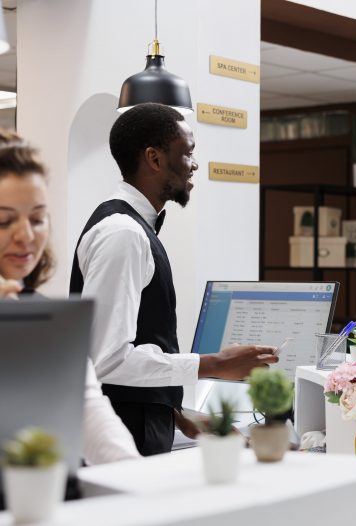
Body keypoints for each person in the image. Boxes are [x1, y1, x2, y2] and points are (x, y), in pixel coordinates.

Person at [70, 103, 278, 456]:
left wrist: (179, 416)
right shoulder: (124, 233)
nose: (194, 165)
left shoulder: (132, 228)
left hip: (143, 422)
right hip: (123, 438)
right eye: (188, 153)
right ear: (154, 158)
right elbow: (108, 360)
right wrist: (215, 364)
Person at [0, 129, 140, 465]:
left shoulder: (44, 317)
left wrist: (141, 487)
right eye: (5, 220)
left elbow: (93, 419)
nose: (26, 235)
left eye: (37, 219)